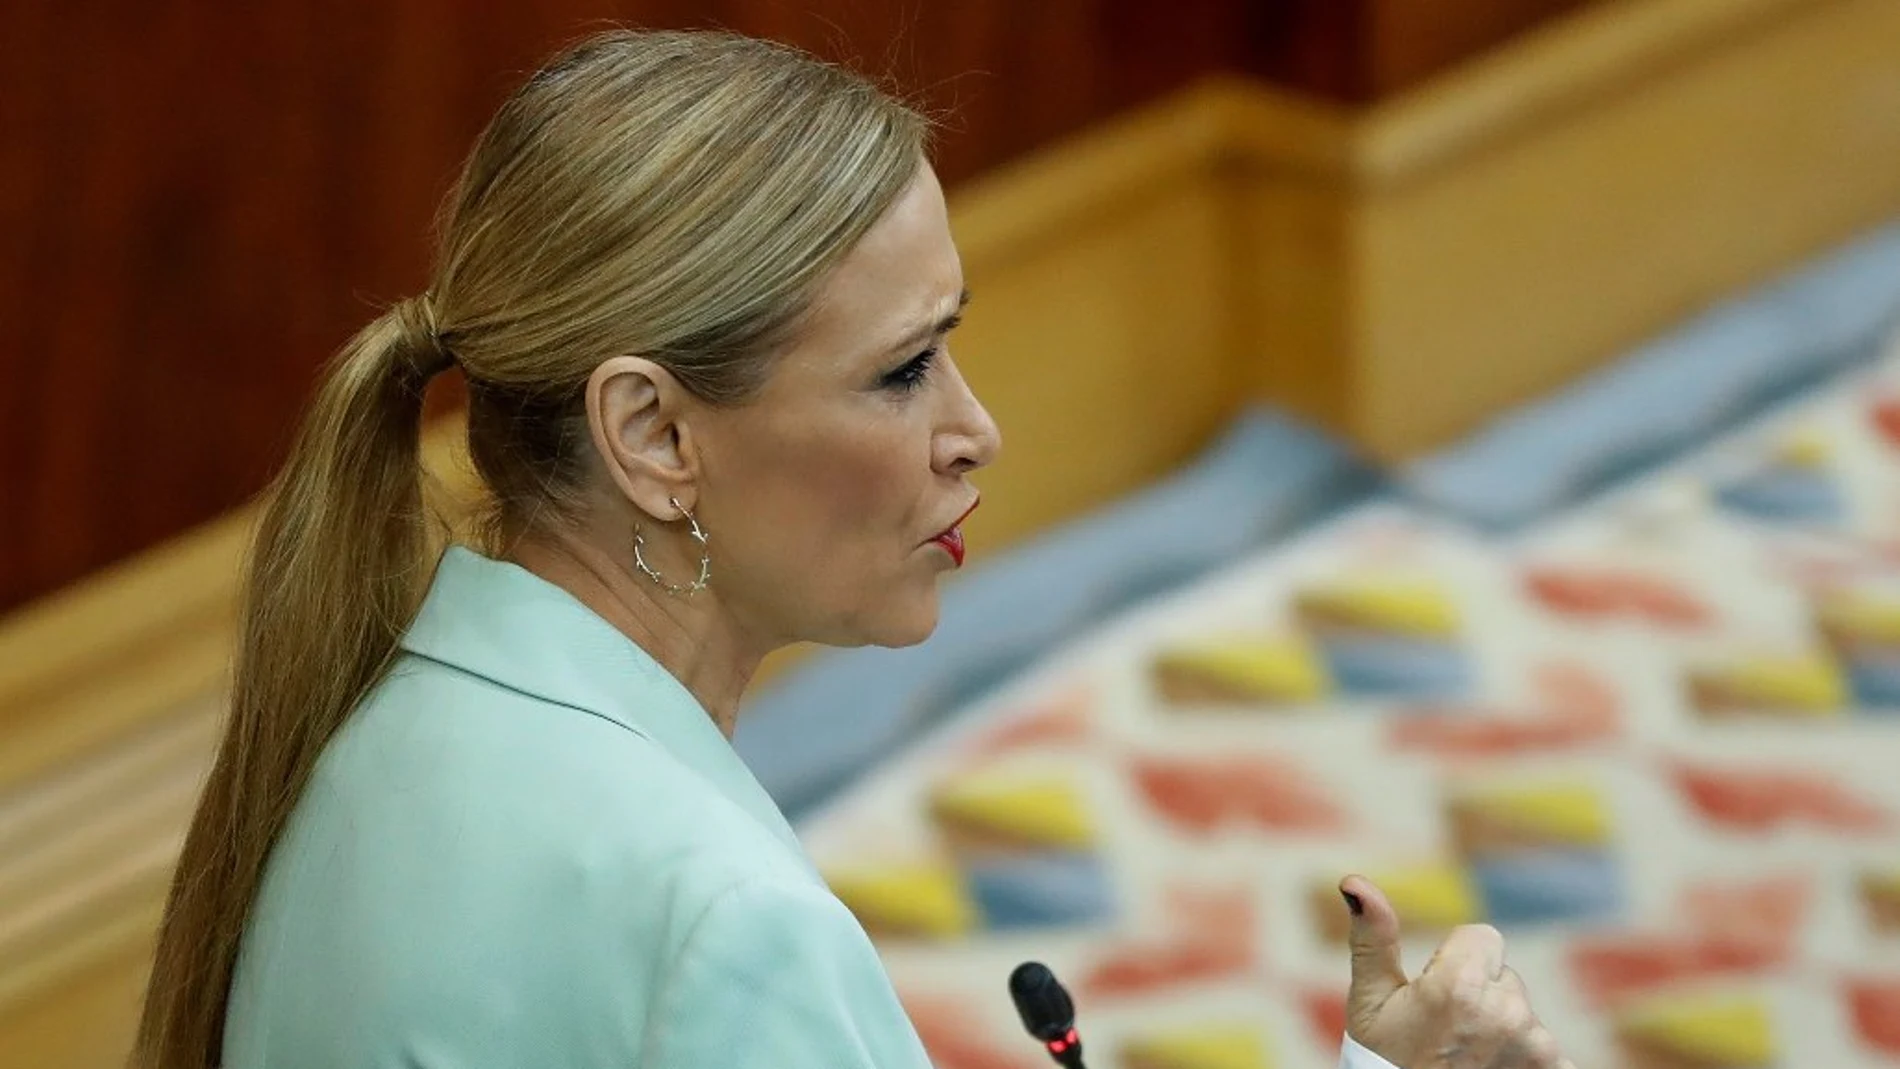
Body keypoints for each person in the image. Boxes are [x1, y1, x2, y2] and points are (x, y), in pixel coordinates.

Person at [133, 29, 1572, 1069]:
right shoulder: (728, 927)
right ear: (652, 435)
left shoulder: (384, 725)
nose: (976, 432)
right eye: (903, 373)